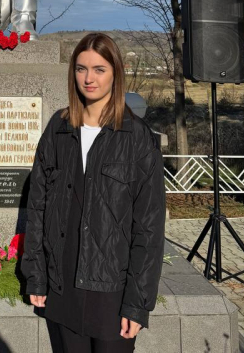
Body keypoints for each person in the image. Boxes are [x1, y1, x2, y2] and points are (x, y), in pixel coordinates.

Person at [22, 33, 166, 352]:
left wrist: (137, 304)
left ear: (116, 72)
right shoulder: (57, 129)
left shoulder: (137, 137)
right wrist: (36, 275)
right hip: (62, 289)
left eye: (99, 69)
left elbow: (149, 227)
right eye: (81, 68)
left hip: (111, 293)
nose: (89, 78)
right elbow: (38, 210)